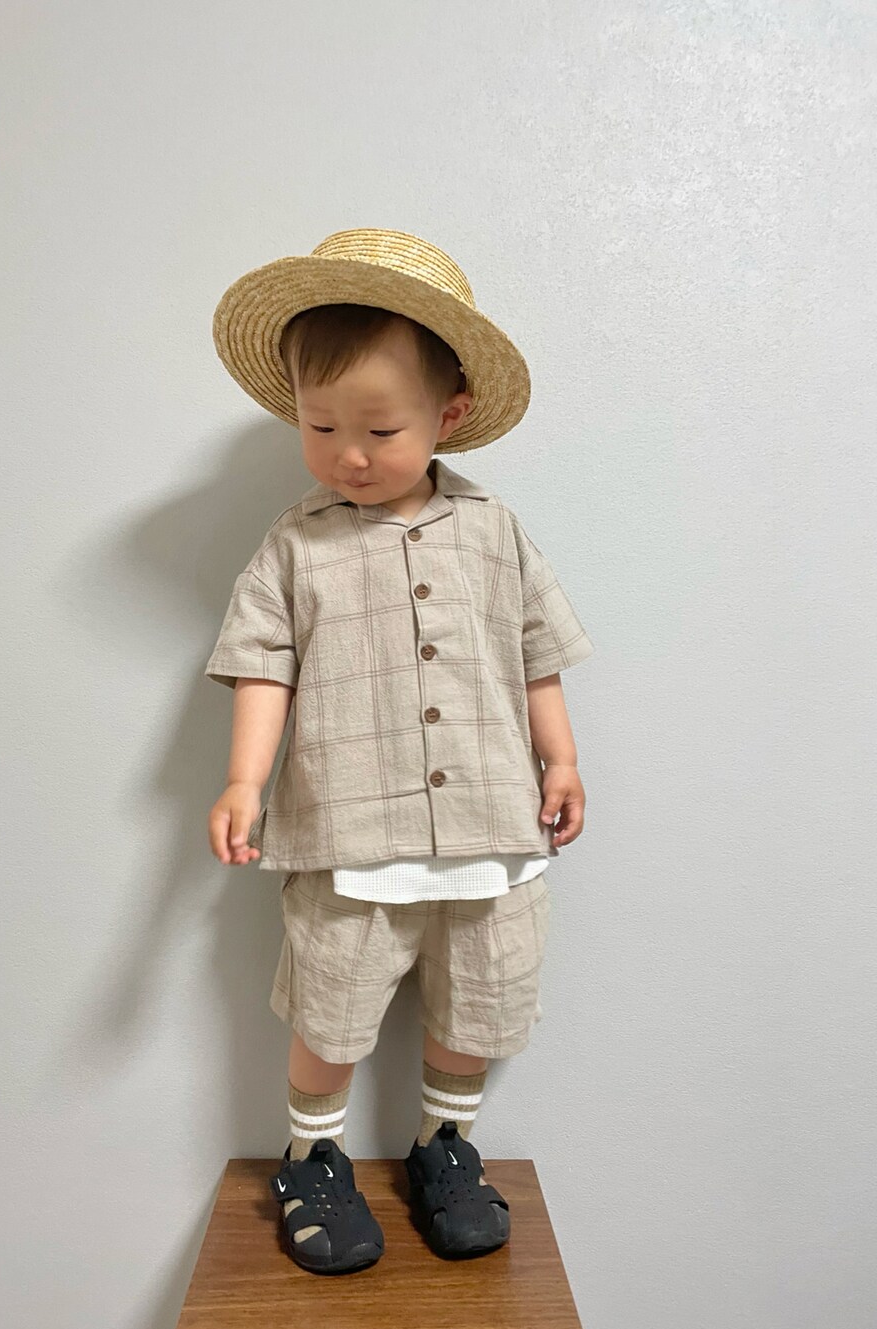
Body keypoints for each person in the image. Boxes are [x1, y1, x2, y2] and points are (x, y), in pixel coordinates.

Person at [204, 228, 595, 1275]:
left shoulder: (495, 532)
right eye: (320, 425)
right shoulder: (296, 545)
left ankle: (445, 1146)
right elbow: (265, 667)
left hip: (491, 828)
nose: (350, 453)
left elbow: (535, 654)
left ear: (447, 416)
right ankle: (311, 1157)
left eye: (380, 428)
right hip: (348, 835)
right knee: (330, 1006)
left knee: (480, 999)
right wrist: (244, 779)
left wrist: (560, 759)